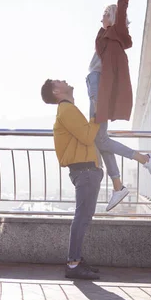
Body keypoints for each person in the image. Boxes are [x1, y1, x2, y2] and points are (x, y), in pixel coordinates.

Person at [87, 0, 151, 212]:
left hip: (98, 85)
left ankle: (142, 159)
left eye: (106, 13)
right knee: (99, 139)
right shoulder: (104, 36)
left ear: (114, 17)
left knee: (99, 138)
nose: (102, 16)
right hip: (94, 84)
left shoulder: (115, 31)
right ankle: (119, 186)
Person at [41, 78, 102, 281]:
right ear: (57, 91)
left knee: (83, 217)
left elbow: (82, 136)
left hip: (84, 171)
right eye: (60, 81)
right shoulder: (67, 110)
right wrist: (97, 117)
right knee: (82, 217)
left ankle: (75, 260)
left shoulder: (68, 110)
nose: (64, 80)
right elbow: (86, 137)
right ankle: (73, 263)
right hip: (84, 171)